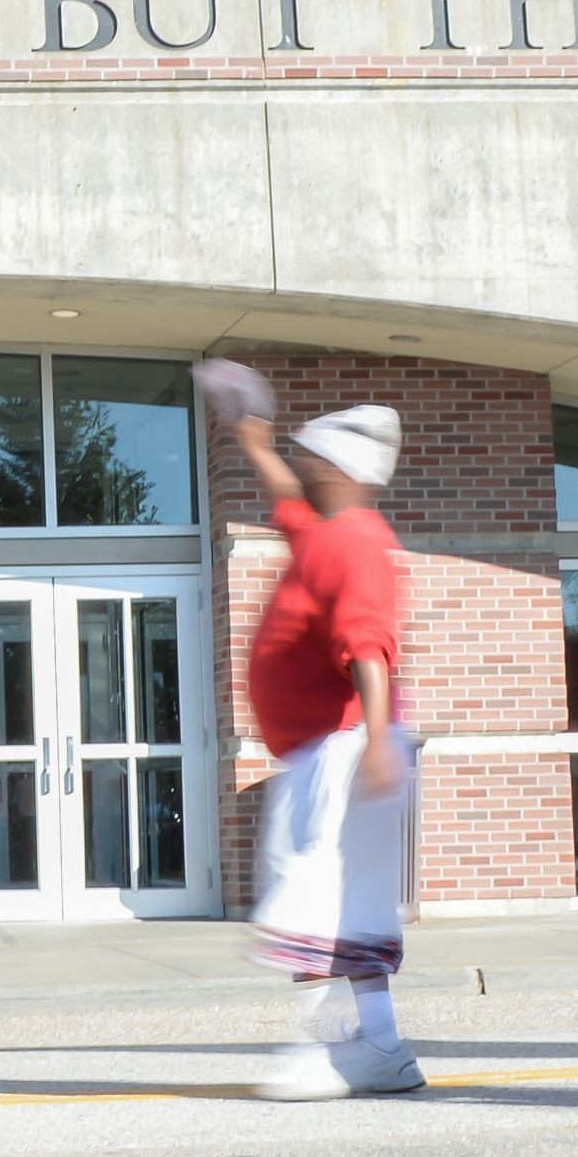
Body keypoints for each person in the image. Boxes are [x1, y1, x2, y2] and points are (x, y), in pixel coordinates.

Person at [227, 397, 422, 1101]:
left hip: (345, 750)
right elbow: (289, 502)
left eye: (311, 459)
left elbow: (368, 644)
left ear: (340, 468)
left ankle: (318, 1049)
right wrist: (255, 445)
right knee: (348, 908)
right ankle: (382, 1048)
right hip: (336, 749)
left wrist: (376, 742)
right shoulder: (327, 532)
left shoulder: (352, 543)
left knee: (313, 901)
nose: (302, 467)